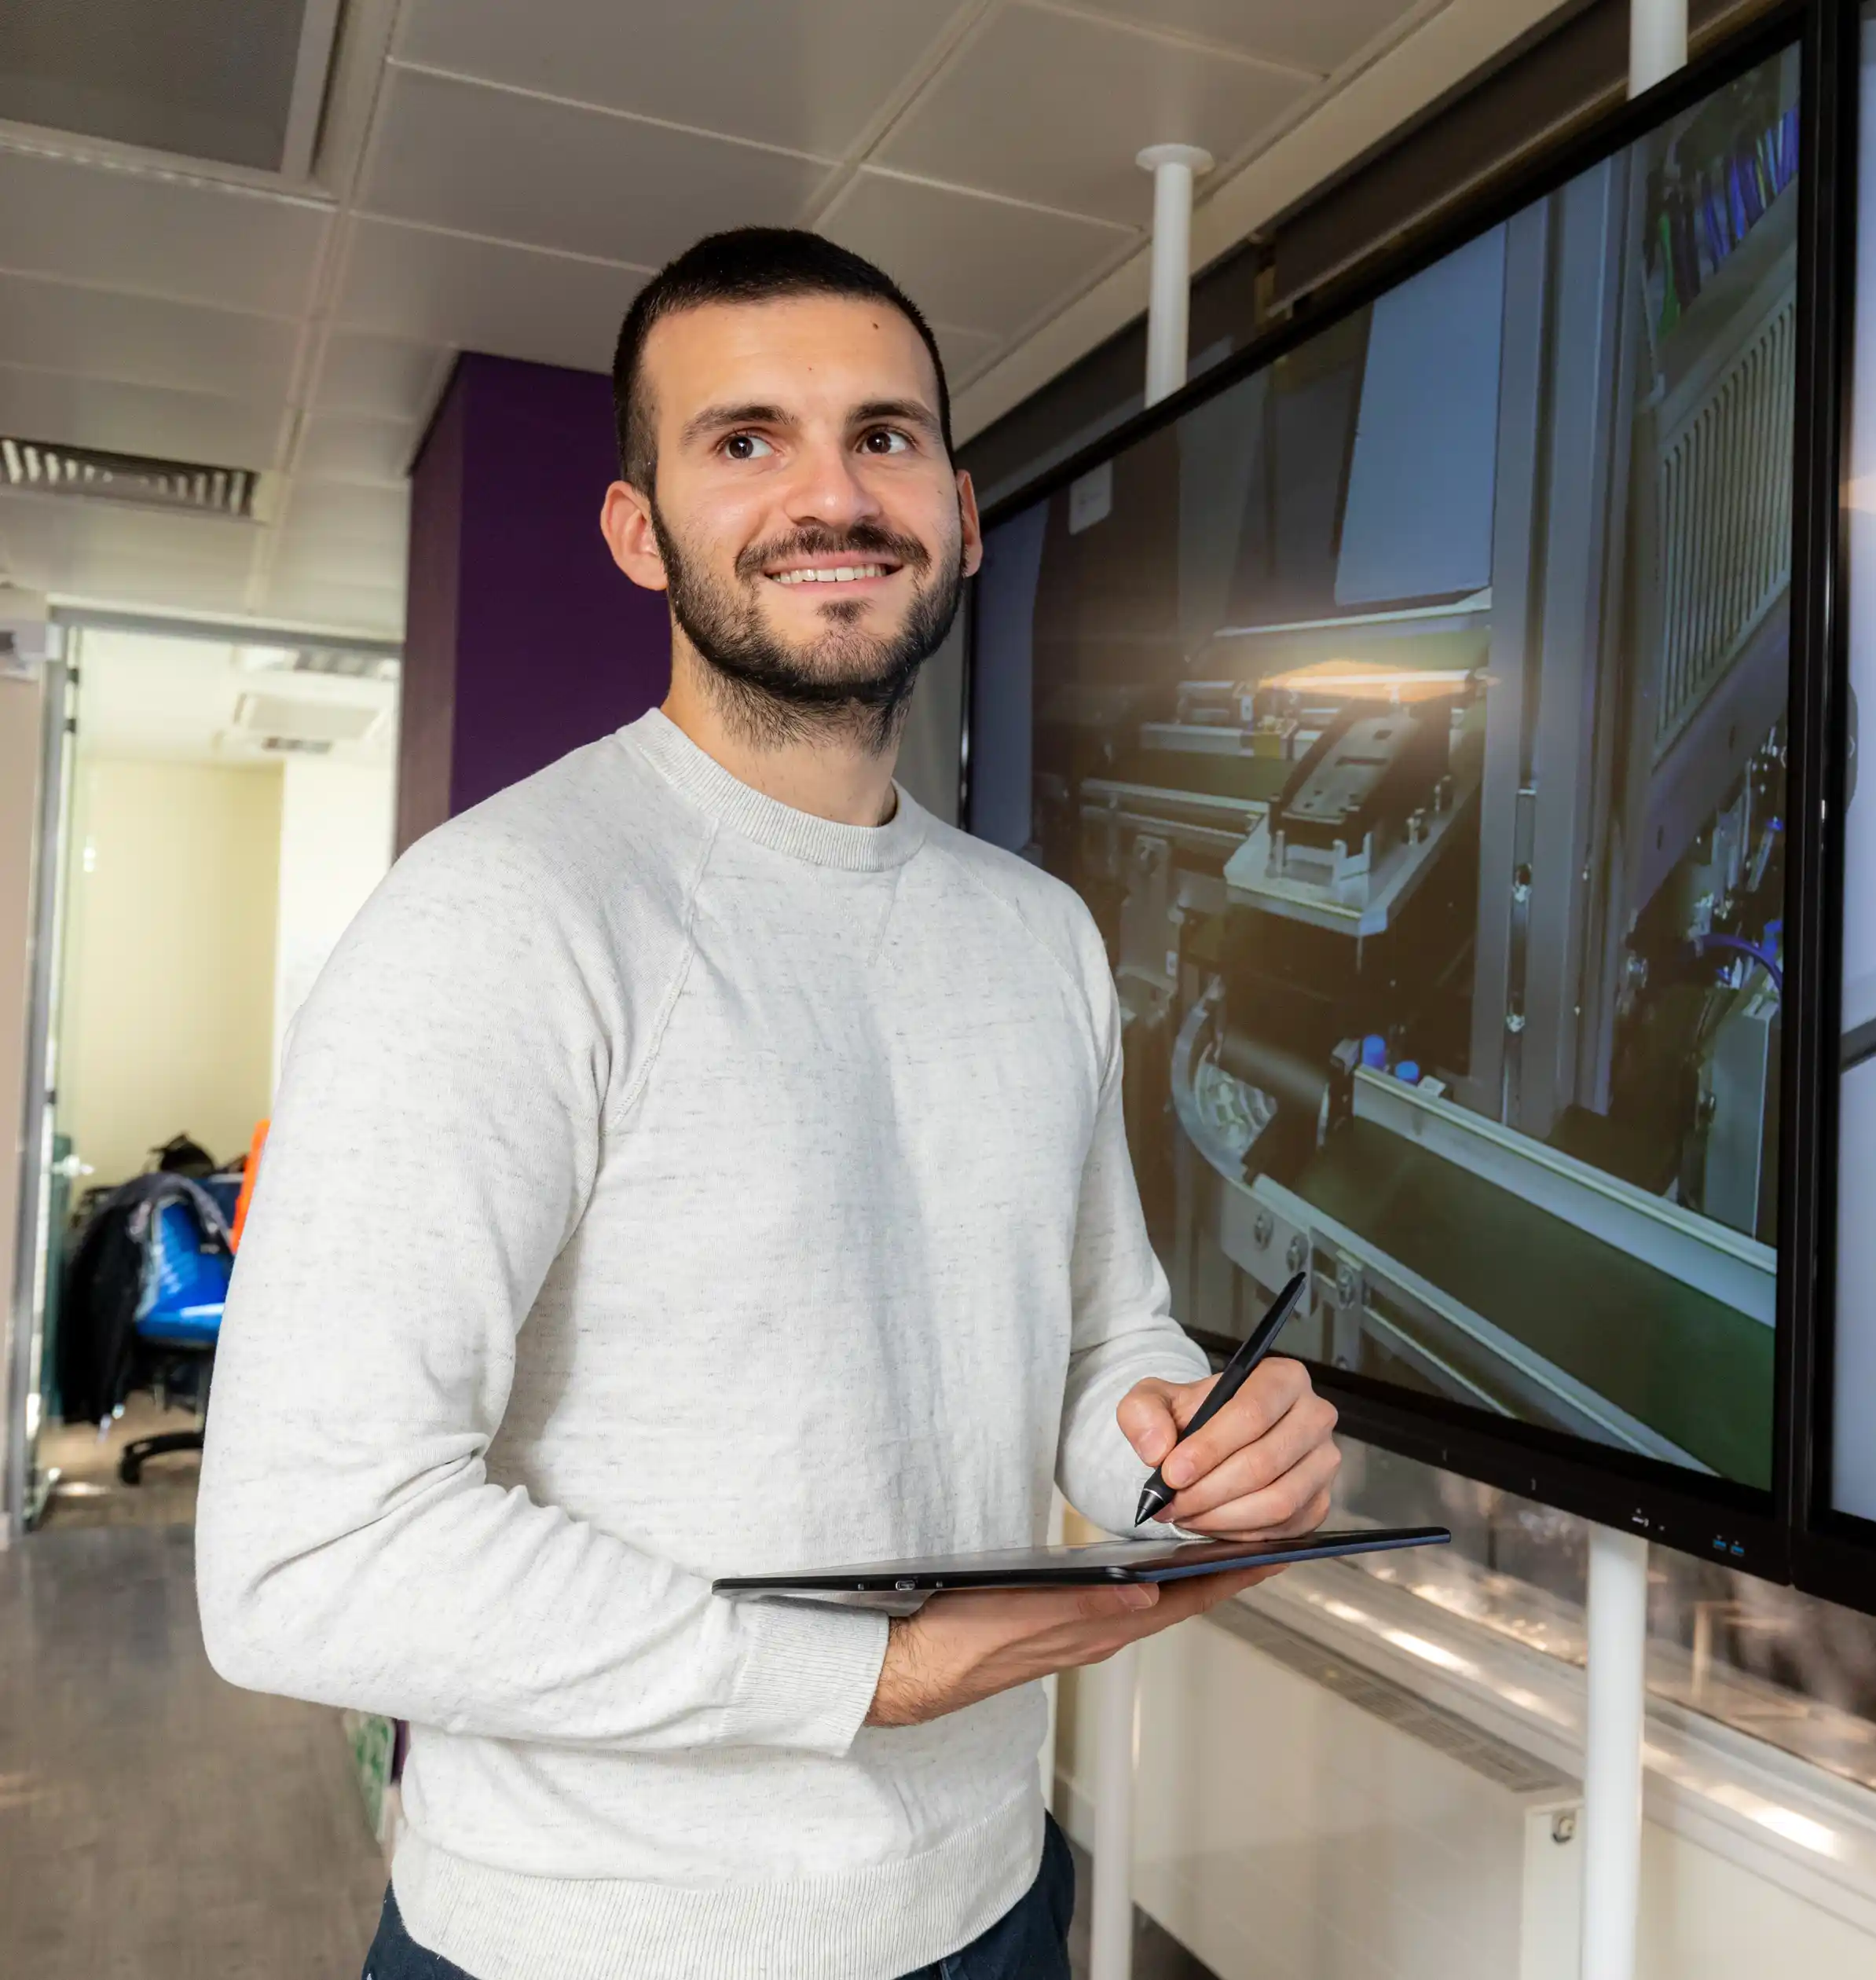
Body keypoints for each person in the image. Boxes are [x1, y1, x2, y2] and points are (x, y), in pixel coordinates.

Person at [195, 228, 1341, 1980]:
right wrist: (876, 1674)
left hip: (991, 1901)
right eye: (747, 440)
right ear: (638, 530)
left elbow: (1094, 1344)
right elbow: (309, 1554)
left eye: (884, 436)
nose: (833, 495)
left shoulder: (1034, 933)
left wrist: (1196, 1455)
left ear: (960, 511)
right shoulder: (502, 915)